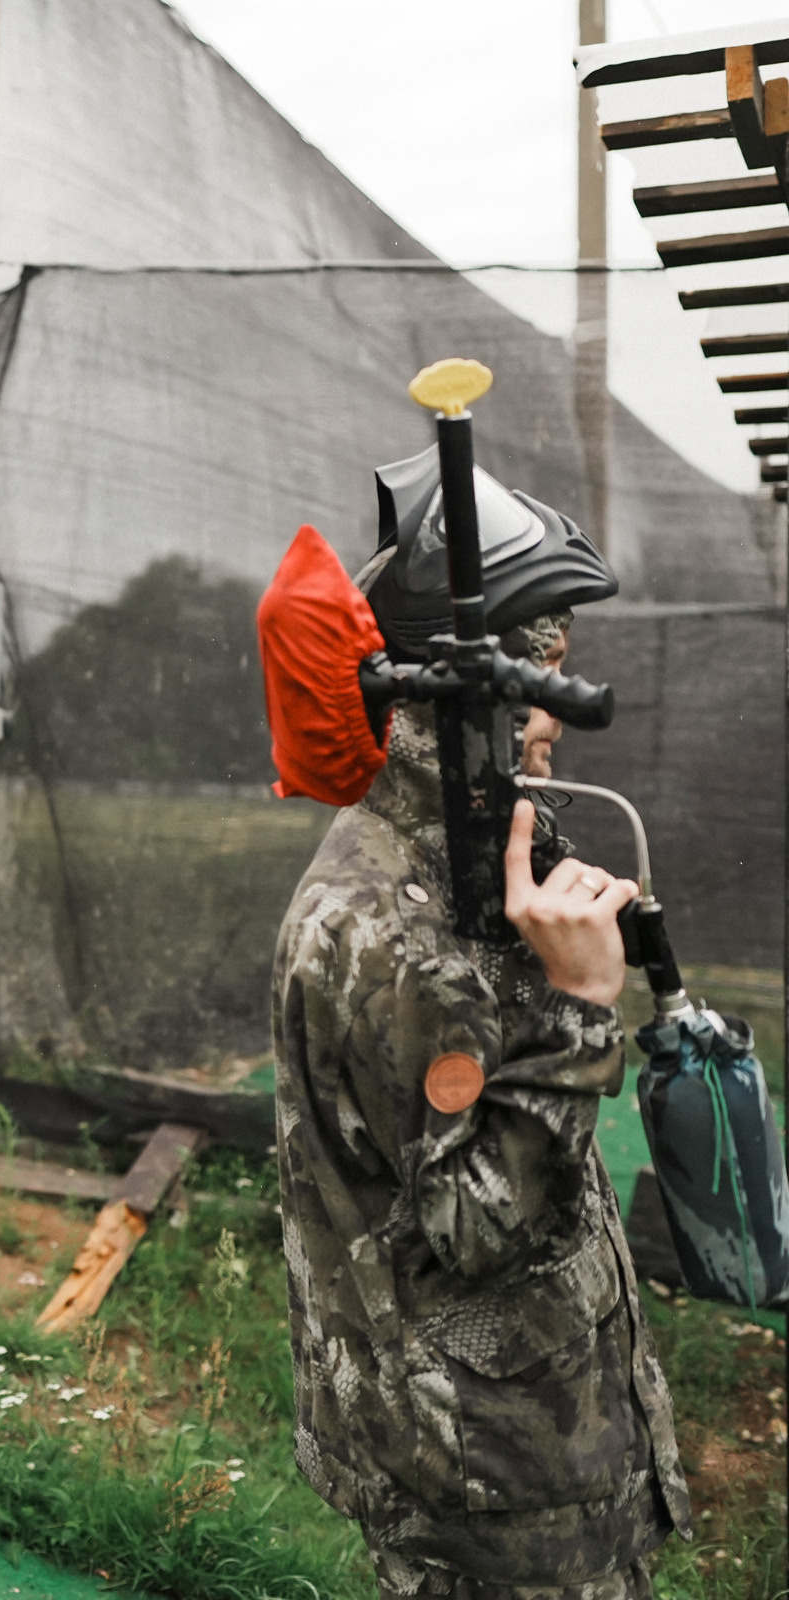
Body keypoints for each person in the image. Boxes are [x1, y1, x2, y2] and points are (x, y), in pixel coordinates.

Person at [273, 454, 689, 1599]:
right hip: (479, 1483)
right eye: (543, 665)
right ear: (466, 691)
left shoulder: (475, 854)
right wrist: (580, 1006)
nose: (562, 700)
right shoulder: (382, 926)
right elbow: (473, 1225)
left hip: (532, 1449)